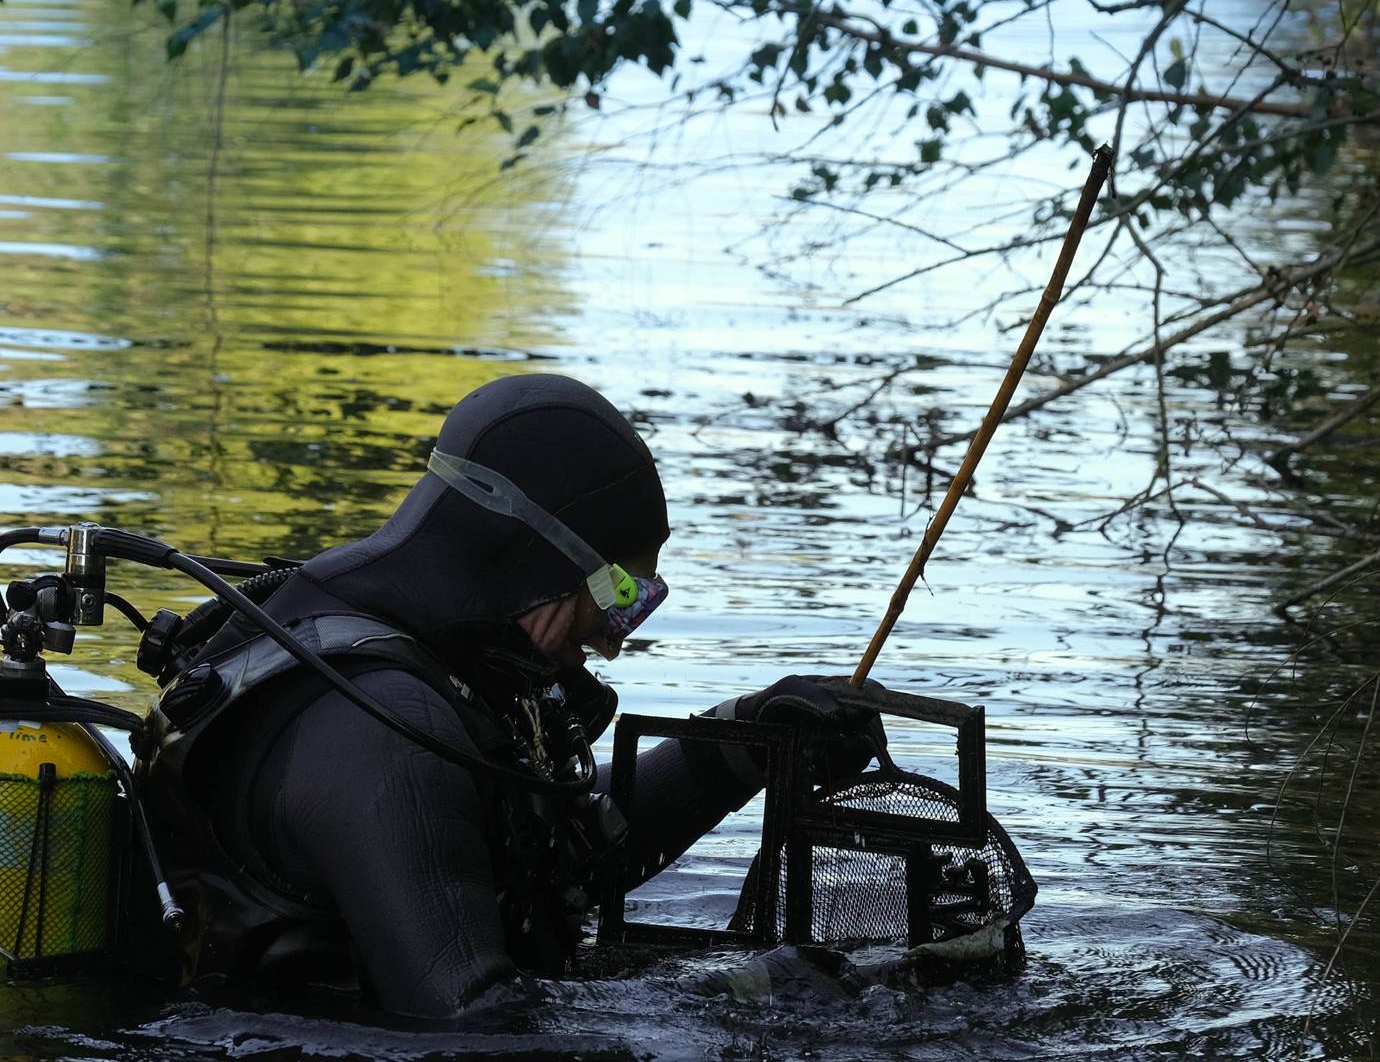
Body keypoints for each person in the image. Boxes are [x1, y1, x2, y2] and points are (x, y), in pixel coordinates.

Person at [133, 373, 880, 1019]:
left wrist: (745, 740)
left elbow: (556, 858)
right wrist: (746, 990)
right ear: (537, 554)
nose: (616, 639)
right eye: (621, 595)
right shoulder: (386, 725)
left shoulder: (421, 660)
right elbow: (472, 1024)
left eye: (642, 601)